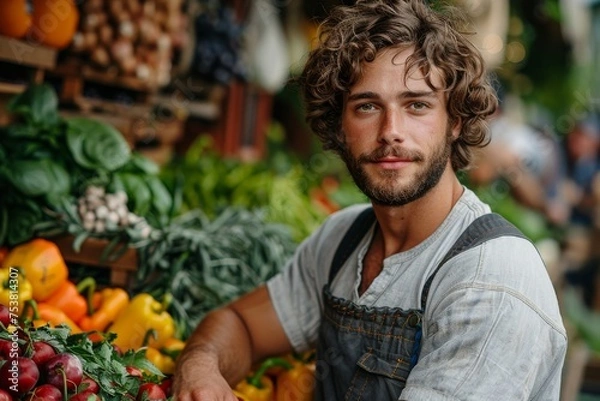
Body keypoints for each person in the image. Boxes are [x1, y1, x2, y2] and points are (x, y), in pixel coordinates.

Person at [173, 1, 567, 400]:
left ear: (455, 122)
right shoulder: (342, 240)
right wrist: (200, 368)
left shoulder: (491, 281)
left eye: (417, 105)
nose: (390, 131)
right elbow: (239, 323)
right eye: (367, 106)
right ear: (339, 126)